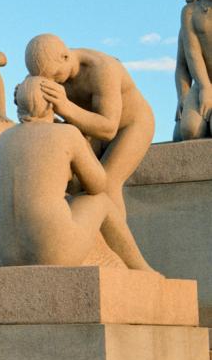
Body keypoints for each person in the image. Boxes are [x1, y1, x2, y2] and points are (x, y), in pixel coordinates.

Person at [24, 34, 158, 273]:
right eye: (45, 79)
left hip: (130, 125)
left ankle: (118, 256)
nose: (54, 83)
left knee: (108, 183)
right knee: (78, 185)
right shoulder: (48, 69)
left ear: (66, 56)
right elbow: (38, 114)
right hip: (87, 128)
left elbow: (108, 128)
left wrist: (66, 108)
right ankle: (91, 244)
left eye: (56, 77)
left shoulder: (102, 69)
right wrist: (26, 98)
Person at [0, 76, 130, 268]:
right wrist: (82, 140)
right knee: (100, 201)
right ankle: (140, 267)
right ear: (53, 104)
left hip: (6, 251)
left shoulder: (4, 138)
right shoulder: (67, 134)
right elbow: (98, 184)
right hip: (54, 250)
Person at [177, 0, 212, 140]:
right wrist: (205, 88)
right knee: (189, 131)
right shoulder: (189, 12)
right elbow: (192, 54)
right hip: (203, 82)